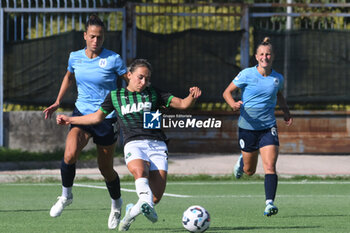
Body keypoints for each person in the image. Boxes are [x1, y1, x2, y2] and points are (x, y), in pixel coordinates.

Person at [55, 59, 201, 231]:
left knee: (155, 198)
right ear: (129, 75)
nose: (143, 82)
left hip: (157, 144)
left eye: (147, 79)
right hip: (134, 143)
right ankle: (143, 202)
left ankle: (131, 211)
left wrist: (192, 96)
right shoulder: (115, 96)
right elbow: (96, 117)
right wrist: (70, 119)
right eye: (140, 77)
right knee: (140, 171)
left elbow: (183, 104)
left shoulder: (154, 93)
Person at [43, 14, 127, 229]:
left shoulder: (114, 59)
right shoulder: (75, 57)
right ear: (85, 36)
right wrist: (57, 101)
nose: (96, 41)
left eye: (99, 37)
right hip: (81, 114)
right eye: (92, 36)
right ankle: (66, 196)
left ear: (104, 37)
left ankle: (117, 205)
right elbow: (69, 76)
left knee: (105, 169)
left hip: (106, 118)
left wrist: (136, 98)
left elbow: (130, 81)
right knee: (70, 154)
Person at [222, 37, 292, 217]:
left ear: (273, 56)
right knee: (249, 171)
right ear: (256, 57)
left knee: (270, 166)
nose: (265, 57)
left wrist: (285, 111)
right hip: (247, 128)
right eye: (261, 54)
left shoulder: (278, 78)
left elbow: (279, 94)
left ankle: (269, 203)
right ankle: (242, 160)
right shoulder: (246, 74)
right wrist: (233, 104)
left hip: (268, 127)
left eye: (268, 54)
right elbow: (227, 92)